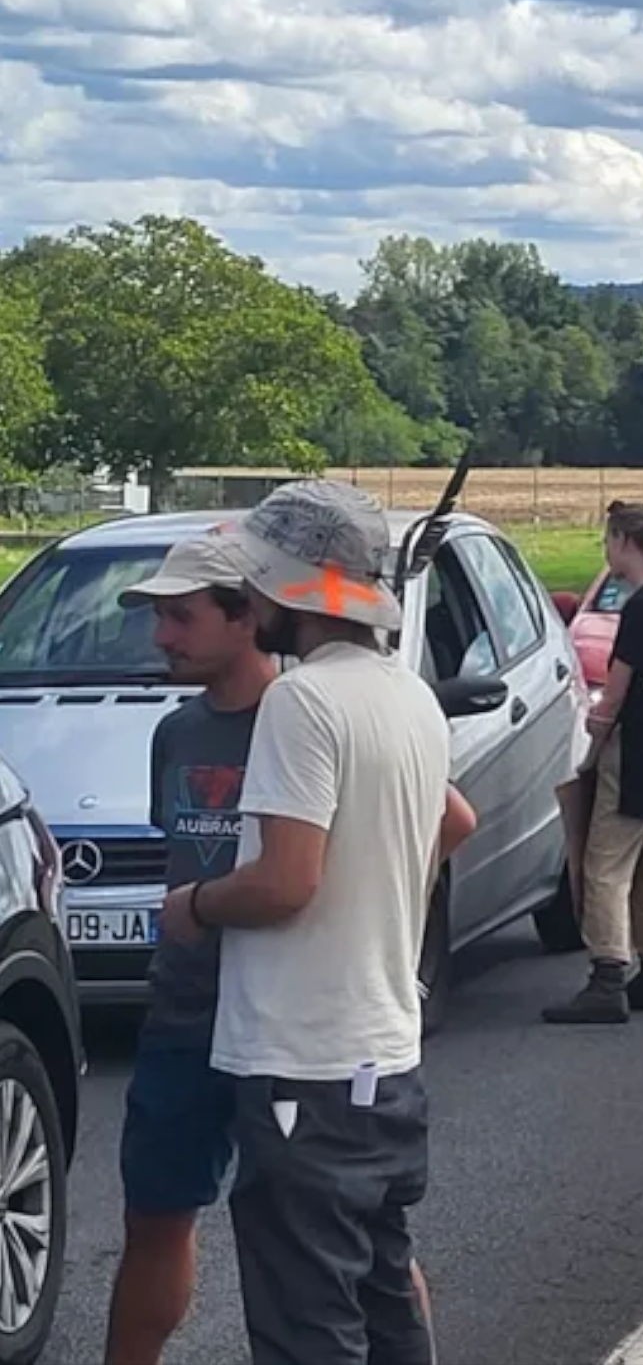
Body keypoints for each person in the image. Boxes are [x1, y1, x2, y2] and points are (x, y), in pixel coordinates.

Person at [160, 481, 475, 1365]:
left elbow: (286, 882)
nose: (248, 598)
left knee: (307, 1326)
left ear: (286, 589)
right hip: (385, 1056)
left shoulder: (302, 704)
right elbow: (455, 825)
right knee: (383, 1304)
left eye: (255, 582)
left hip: (302, 1066)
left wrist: (195, 905)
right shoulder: (406, 694)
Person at [104, 532, 277, 1365]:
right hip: (182, 1017)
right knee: (155, 1218)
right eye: (159, 618)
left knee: (332, 1232)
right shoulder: (177, 732)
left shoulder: (309, 722)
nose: (162, 637)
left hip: (285, 1026)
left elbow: (442, 825)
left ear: (246, 617)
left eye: (181, 617)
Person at [543, 501, 643, 1025]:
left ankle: (607, 974)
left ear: (625, 542)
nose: (607, 551)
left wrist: (596, 724)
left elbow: (619, 685)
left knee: (605, 863)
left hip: (635, 750)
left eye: (608, 540)